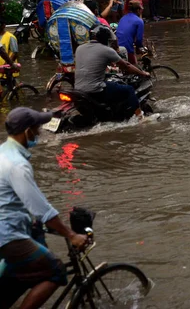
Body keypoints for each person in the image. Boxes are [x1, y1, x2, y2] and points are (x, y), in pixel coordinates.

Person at [0, 107, 89, 309]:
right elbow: (41, 209)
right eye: (37, 128)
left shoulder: (3, 153)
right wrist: (71, 234)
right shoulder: (17, 165)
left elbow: (13, 201)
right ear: (27, 131)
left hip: (12, 227)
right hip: (8, 235)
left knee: (18, 275)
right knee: (55, 271)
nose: (39, 132)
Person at [75, 25, 150, 121]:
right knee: (129, 89)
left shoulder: (80, 48)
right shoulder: (107, 50)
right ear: (106, 39)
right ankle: (141, 118)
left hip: (78, 89)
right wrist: (143, 73)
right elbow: (126, 66)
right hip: (95, 90)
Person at [116, 0, 145, 65]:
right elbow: (139, 40)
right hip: (126, 48)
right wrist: (139, 48)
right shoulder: (139, 21)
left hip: (116, 46)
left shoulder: (123, 18)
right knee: (135, 69)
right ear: (138, 10)